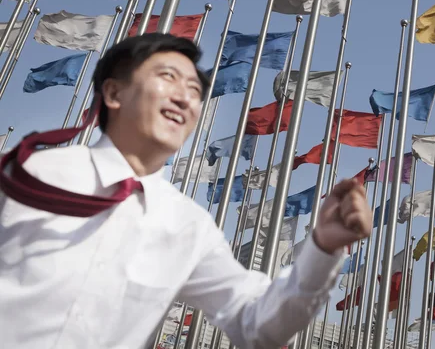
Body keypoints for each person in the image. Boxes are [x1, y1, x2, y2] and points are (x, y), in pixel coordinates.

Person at [0, 33, 373, 349]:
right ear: (113, 92)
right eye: (168, 78)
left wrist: (323, 249)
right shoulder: (27, 174)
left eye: (194, 90)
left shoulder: (188, 226)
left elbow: (256, 323)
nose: (184, 98)